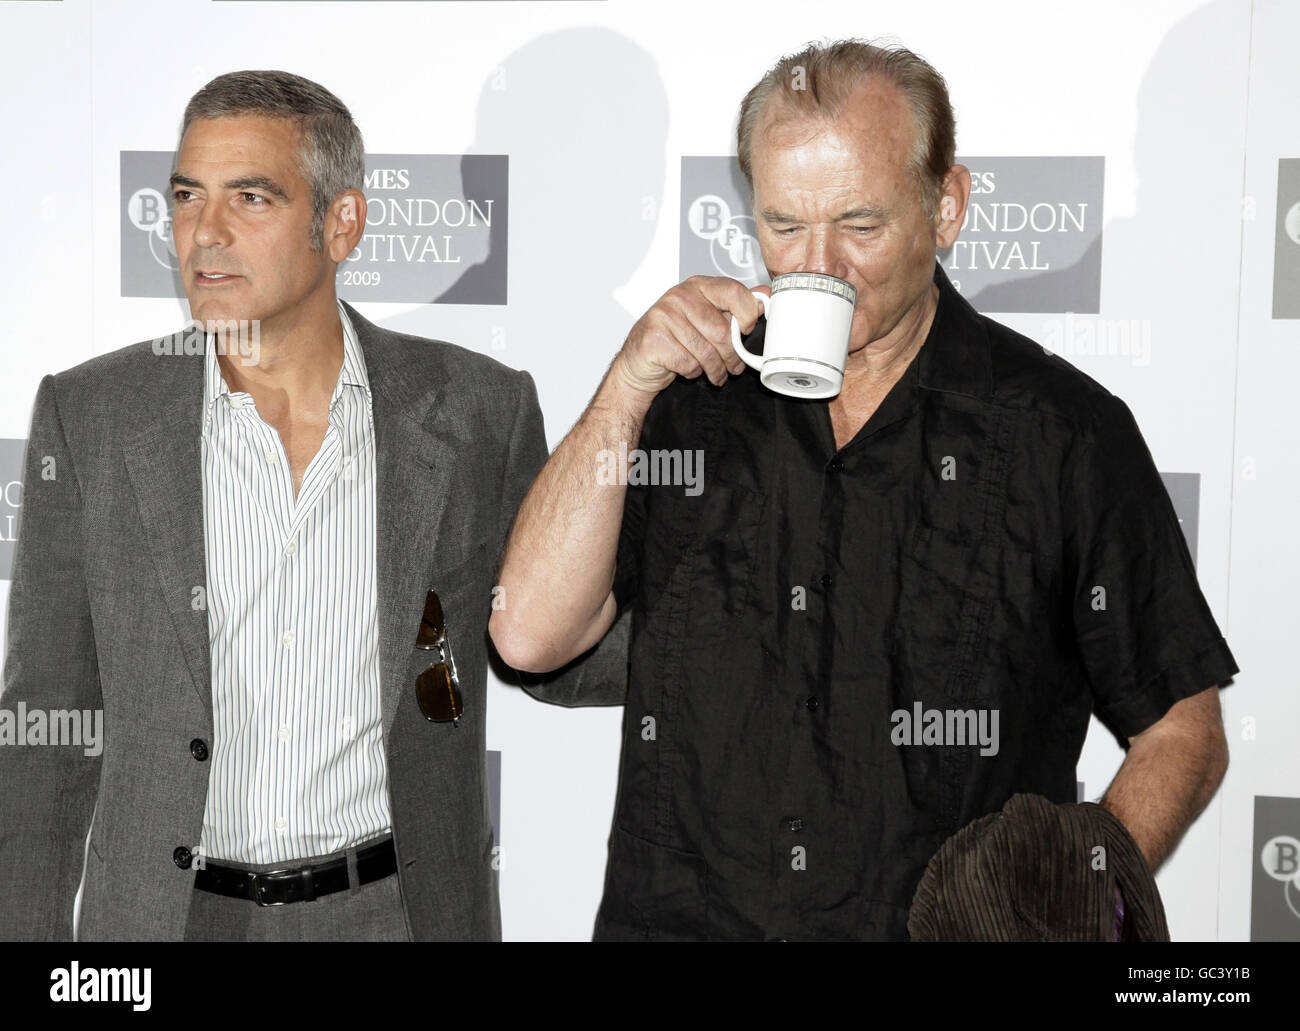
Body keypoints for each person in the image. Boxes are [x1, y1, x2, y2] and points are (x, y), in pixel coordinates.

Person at [490, 40, 1239, 941]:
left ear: (947, 205)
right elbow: (528, 636)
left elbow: (1183, 732)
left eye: (860, 224)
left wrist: (1069, 898)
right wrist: (626, 383)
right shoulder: (684, 405)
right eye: (783, 225)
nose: (817, 266)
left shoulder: (1064, 434)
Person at [0, 69, 612, 941]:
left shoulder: (476, 409)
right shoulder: (93, 414)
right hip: (164, 923)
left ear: (342, 222)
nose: (204, 233)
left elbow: (553, 646)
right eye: (186, 196)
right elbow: (47, 728)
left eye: (250, 198)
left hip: (396, 914)